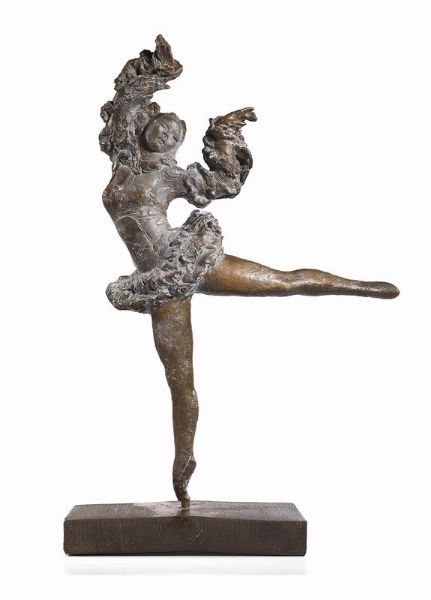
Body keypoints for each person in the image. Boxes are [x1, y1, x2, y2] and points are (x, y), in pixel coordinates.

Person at [100, 36, 399, 508]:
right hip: (157, 286)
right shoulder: (124, 162)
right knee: (180, 377)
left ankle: (360, 286)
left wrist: (224, 133)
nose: (167, 137)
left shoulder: (175, 176)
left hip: (189, 259)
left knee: (283, 282)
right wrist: (153, 75)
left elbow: (225, 183)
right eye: (163, 128)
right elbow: (124, 108)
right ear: (146, 129)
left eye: (175, 136)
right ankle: (184, 462)